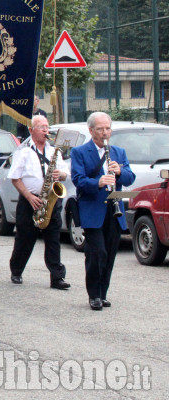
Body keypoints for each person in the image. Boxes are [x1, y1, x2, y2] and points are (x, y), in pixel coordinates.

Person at [71, 112, 135, 311]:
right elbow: (78, 180)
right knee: (96, 253)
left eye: (107, 128)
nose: (105, 132)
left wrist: (119, 172)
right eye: (100, 129)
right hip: (92, 209)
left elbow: (129, 178)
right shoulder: (80, 152)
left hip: (114, 209)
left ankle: (103, 293)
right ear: (91, 131)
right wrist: (98, 182)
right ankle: (94, 295)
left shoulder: (119, 152)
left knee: (110, 254)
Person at [7, 115, 71, 290]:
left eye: (47, 127)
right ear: (31, 130)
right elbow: (15, 178)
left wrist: (61, 175)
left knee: (53, 240)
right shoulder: (24, 151)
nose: (45, 130)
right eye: (41, 127)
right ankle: (17, 270)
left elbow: (66, 173)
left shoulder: (53, 151)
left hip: (50, 200)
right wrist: (29, 197)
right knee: (25, 239)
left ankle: (57, 277)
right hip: (31, 200)